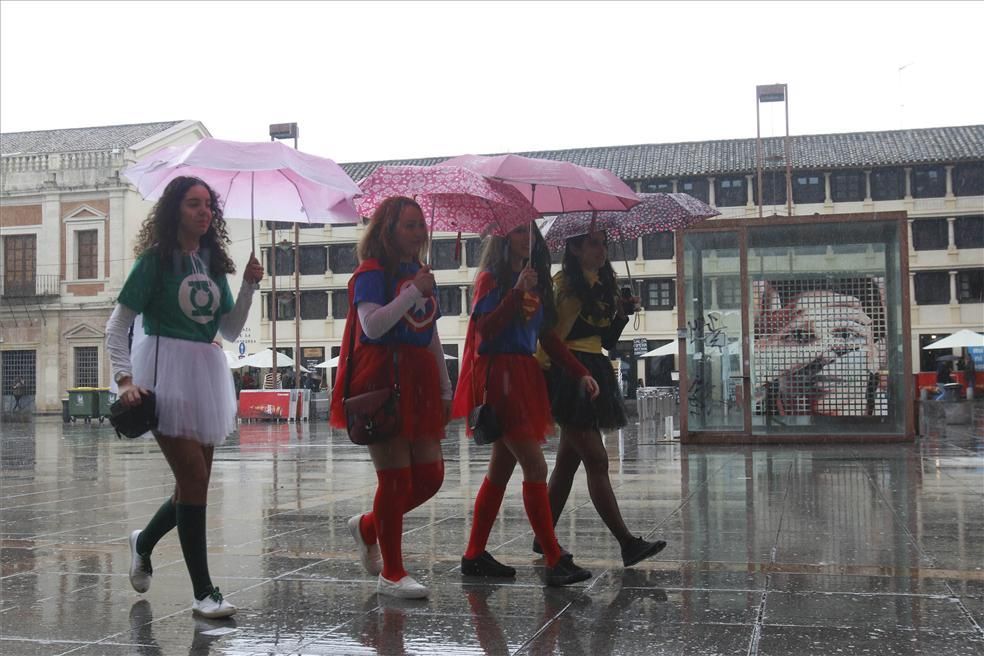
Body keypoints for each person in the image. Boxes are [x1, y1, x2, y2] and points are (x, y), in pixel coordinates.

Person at [106, 176, 264, 619]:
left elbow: (228, 330)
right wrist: (123, 380)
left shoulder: (213, 261)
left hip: (206, 373)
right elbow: (117, 325)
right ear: (175, 209)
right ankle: (203, 592)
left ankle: (144, 541)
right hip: (162, 372)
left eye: (208, 205)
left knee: (191, 485)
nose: (203, 211)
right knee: (193, 480)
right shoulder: (154, 261)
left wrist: (249, 286)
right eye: (193, 204)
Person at [453, 223, 600, 586]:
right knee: (535, 467)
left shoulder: (532, 280)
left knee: (500, 471)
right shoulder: (491, 279)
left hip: (521, 375)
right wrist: (515, 294)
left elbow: (546, 336)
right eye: (518, 231)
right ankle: (553, 558)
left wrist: (579, 371)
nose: (526, 238)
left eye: (530, 232)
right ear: (504, 239)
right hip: (500, 377)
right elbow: (484, 331)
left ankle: (474, 555)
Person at [330, 196, 452, 599]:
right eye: (409, 225)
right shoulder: (371, 272)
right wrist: (411, 292)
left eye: (421, 225)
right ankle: (392, 572)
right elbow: (373, 325)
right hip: (381, 378)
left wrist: (445, 385)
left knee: (431, 476)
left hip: (419, 380)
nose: (419, 233)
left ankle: (368, 526)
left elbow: (429, 331)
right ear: (388, 230)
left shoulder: (420, 271)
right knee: (396, 479)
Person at [538, 230, 667, 567]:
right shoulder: (565, 284)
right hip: (571, 374)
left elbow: (607, 340)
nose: (603, 249)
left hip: (595, 368)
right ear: (575, 247)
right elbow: (551, 338)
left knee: (568, 463)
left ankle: (543, 536)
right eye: (595, 242)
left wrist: (622, 313)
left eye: (604, 243)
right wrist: (557, 377)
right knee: (596, 459)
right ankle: (626, 543)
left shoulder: (600, 282)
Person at [753, 279, 887, 416]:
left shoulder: (899, 417)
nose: (824, 355)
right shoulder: (744, 418)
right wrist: (759, 366)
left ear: (875, 351)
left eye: (846, 334)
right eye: (800, 335)